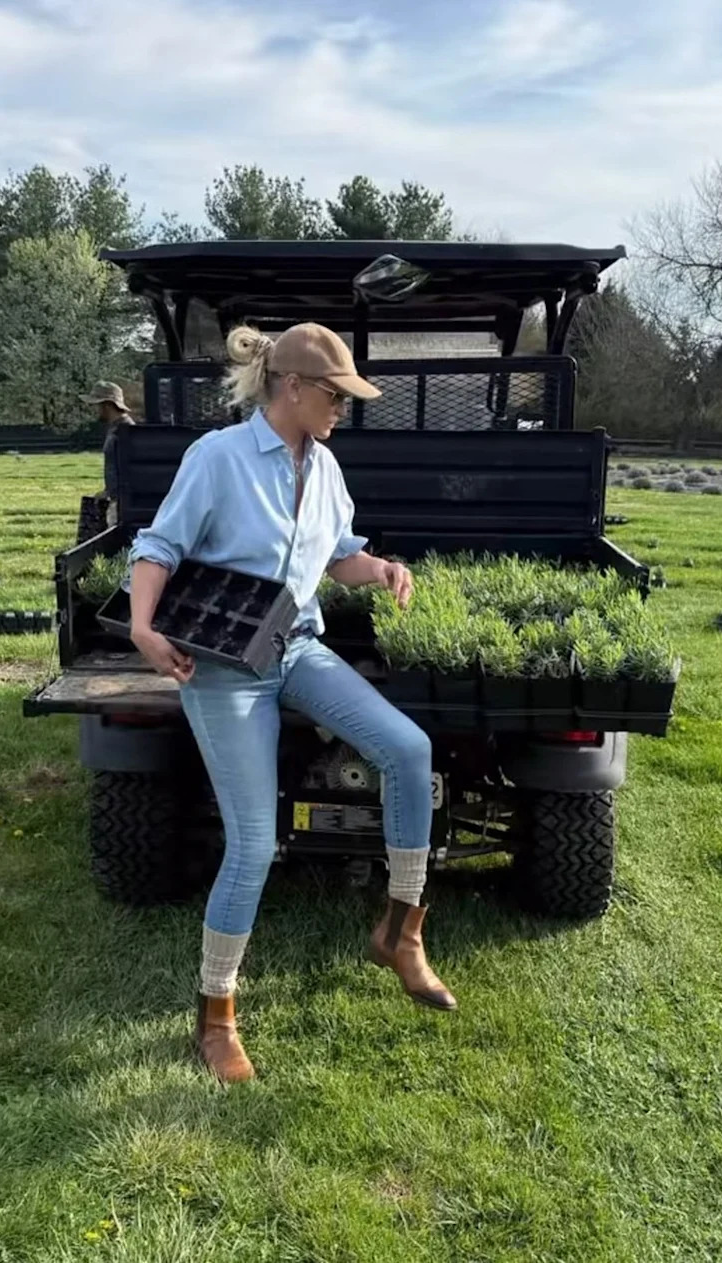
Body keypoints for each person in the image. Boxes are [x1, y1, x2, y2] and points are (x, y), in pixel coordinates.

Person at [128, 323, 456, 1085]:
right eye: (336, 393)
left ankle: (401, 932)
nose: (344, 406)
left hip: (297, 647)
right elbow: (158, 546)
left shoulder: (328, 465)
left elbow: (335, 554)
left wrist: (378, 569)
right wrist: (144, 628)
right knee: (253, 841)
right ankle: (215, 1016)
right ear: (294, 388)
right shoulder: (219, 459)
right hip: (223, 666)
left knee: (408, 751)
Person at [79, 381, 137, 527]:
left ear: (107, 405)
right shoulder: (115, 429)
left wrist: (112, 493)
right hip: (116, 500)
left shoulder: (126, 431)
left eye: (97, 406)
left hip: (123, 504)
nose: (96, 411)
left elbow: (128, 470)